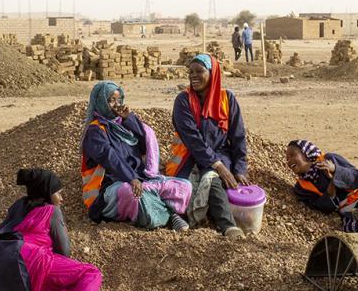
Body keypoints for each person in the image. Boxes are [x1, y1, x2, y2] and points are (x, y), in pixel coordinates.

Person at [0, 168, 118, 291]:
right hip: (30, 258)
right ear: (47, 193)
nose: (61, 198)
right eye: (58, 193)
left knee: (57, 290)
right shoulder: (51, 210)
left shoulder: (18, 206)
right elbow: (64, 250)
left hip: (1, 264)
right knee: (90, 273)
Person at [80, 81, 192, 231]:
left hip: (140, 179)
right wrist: (130, 177)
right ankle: (171, 215)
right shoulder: (96, 130)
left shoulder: (123, 124)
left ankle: (161, 213)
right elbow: (110, 158)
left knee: (184, 186)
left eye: (119, 99)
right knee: (132, 195)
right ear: (101, 102)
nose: (116, 104)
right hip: (113, 184)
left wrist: (129, 119)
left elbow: (143, 145)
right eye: (111, 100)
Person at [163, 54, 250, 238]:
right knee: (185, 188)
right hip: (188, 155)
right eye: (191, 72)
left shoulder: (227, 99)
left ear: (213, 73)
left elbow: (238, 137)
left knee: (213, 178)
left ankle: (227, 226)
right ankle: (215, 223)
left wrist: (240, 168)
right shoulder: (183, 101)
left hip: (220, 152)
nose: (193, 76)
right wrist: (218, 165)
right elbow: (193, 139)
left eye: (199, 71)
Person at [286, 139, 358, 232]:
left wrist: (336, 169)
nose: (289, 161)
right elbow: (323, 207)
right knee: (352, 230)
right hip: (353, 212)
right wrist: (332, 182)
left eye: (292, 155)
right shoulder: (301, 187)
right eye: (287, 159)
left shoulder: (329, 159)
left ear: (306, 152)